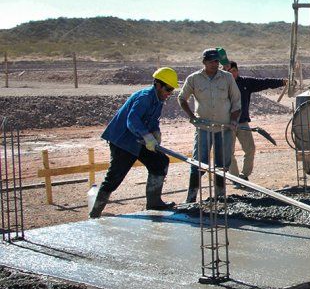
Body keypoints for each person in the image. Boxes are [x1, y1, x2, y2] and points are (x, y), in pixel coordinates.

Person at [89, 67, 179, 218]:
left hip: (140, 140)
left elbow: (152, 120)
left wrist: (155, 133)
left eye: (171, 90)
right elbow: (132, 121)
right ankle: (95, 212)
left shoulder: (159, 100)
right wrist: (146, 136)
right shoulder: (144, 97)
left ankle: (154, 203)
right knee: (115, 176)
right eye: (168, 89)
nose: (169, 93)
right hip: (124, 141)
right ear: (157, 85)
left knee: (160, 161)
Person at [178, 48, 241, 203]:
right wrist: (192, 117)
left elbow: (236, 101)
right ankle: (191, 198)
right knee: (199, 163)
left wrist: (233, 121)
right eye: (211, 61)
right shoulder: (194, 79)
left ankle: (220, 196)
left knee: (222, 164)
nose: (215, 64)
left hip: (224, 128)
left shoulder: (226, 78)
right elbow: (182, 98)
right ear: (204, 62)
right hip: (204, 128)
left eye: (217, 61)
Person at [227, 61, 286, 180]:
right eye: (229, 72)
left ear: (237, 71)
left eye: (234, 71)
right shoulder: (222, 85)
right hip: (227, 124)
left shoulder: (245, 82)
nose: (232, 73)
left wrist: (282, 82)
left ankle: (244, 176)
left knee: (250, 149)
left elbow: (264, 83)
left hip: (243, 122)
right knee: (228, 152)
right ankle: (234, 177)